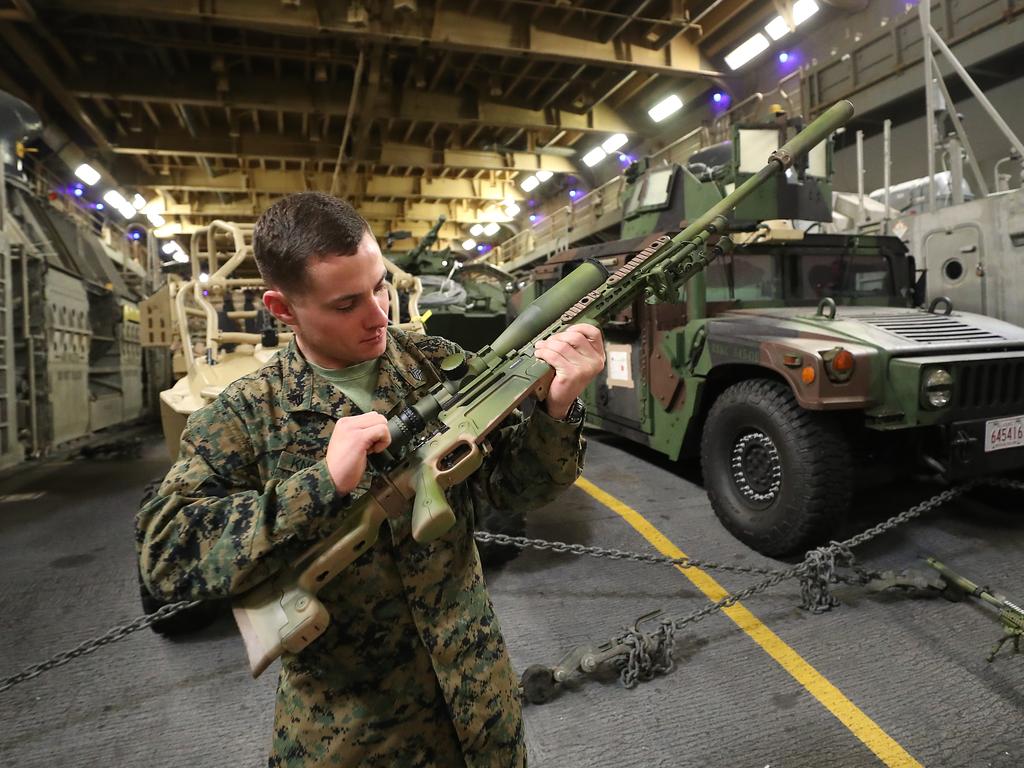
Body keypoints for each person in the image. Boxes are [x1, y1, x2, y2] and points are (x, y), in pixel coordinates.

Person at [136, 191, 606, 767]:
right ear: (282, 310)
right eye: (346, 303)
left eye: (381, 284)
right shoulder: (247, 414)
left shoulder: (433, 362)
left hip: (479, 701)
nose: (380, 313)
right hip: (352, 733)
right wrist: (321, 483)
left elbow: (513, 488)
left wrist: (556, 413)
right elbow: (165, 558)